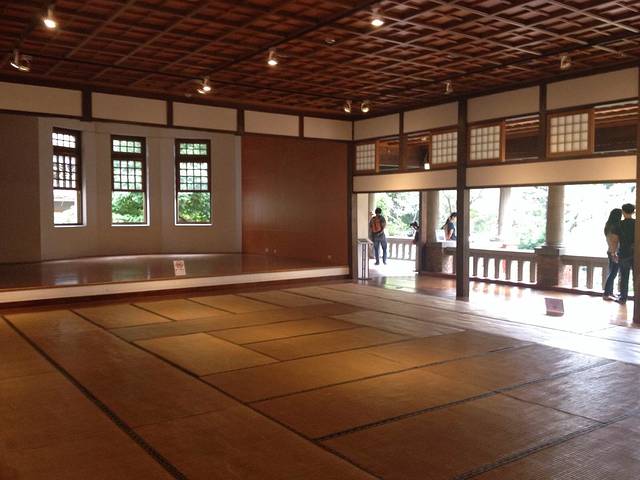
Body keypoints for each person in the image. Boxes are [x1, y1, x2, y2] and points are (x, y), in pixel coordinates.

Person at [617, 203, 635, 305]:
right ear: (633, 212)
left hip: (623, 252)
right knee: (636, 277)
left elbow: (616, 239)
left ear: (623, 212)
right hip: (635, 253)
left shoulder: (620, 224)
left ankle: (623, 298)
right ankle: (637, 298)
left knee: (624, 277)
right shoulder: (636, 223)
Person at [603, 208, 622, 300]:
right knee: (613, 274)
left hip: (610, 251)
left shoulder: (608, 226)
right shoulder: (615, 227)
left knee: (611, 272)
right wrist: (615, 253)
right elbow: (614, 242)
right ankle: (606, 294)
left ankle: (610, 292)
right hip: (614, 252)